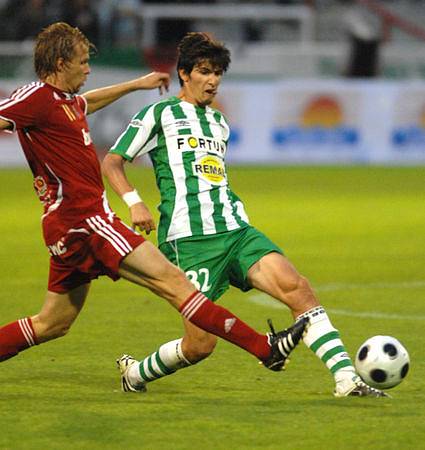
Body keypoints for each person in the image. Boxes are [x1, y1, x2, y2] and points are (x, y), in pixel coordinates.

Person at [0, 23, 308, 377]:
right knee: (177, 283)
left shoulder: (64, 102)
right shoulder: (34, 97)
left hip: (66, 227)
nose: (88, 69)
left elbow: (87, 103)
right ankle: (264, 347)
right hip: (86, 220)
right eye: (83, 62)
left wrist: (135, 84)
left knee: (52, 324)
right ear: (59, 62)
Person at [102, 32, 388, 398]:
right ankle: (137, 374)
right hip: (188, 240)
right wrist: (135, 201)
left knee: (297, 288)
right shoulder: (159, 114)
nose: (213, 81)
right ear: (185, 74)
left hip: (236, 230)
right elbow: (112, 162)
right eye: (205, 71)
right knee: (200, 345)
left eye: (218, 73)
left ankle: (347, 379)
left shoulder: (219, 124)